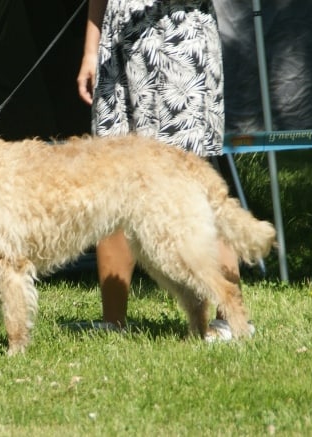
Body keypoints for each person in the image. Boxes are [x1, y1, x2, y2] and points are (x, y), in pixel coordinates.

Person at [77, 0, 239, 329]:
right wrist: (91, 50)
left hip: (179, 39)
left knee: (188, 183)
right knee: (112, 176)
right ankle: (113, 322)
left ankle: (228, 321)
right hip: (118, 43)